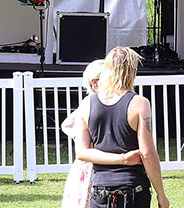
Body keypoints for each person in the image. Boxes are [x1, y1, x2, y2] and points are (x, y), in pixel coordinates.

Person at [76, 47, 169, 208]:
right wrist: (161, 194)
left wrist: (120, 159)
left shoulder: (86, 104)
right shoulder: (140, 103)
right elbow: (147, 153)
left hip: (100, 191)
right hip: (133, 189)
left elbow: (82, 152)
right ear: (132, 72)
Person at [61, 59, 104, 208]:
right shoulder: (90, 102)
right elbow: (67, 124)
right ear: (96, 82)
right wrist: (81, 136)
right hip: (88, 165)